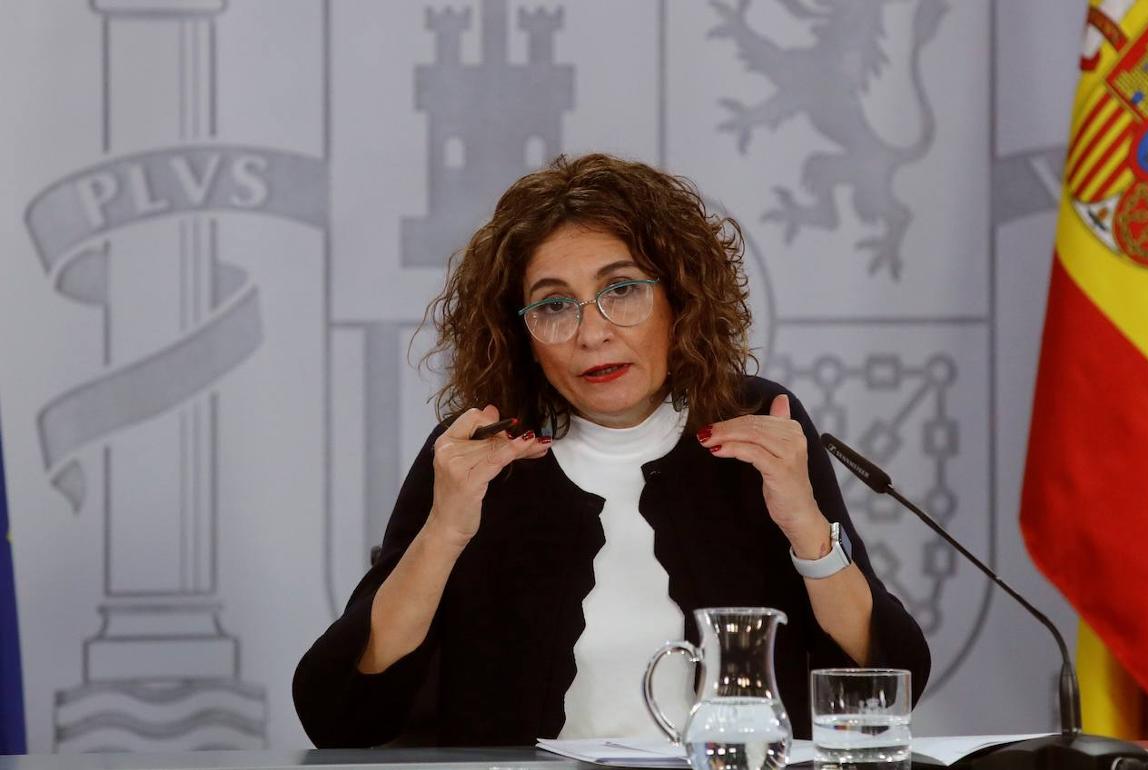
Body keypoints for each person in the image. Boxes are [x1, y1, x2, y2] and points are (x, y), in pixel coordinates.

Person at [293, 153, 930, 748]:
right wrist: (444, 533)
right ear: (522, 335)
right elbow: (337, 713)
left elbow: (888, 682)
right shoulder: (481, 454)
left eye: (621, 289)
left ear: (679, 299)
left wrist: (807, 530)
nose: (592, 332)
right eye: (554, 305)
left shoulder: (757, 425)